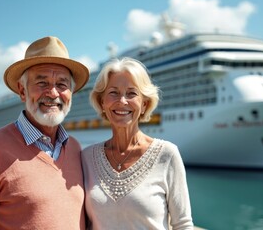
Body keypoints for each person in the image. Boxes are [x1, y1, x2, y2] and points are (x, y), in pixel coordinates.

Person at [0, 36, 89, 230]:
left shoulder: (74, 148)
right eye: (42, 82)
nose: (53, 93)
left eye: (62, 84)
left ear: (70, 93)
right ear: (22, 91)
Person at [82, 57, 194, 229]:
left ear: (144, 104)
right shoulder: (86, 157)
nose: (123, 101)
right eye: (113, 92)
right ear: (102, 102)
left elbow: (183, 225)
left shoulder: (167, 154)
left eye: (132, 93)